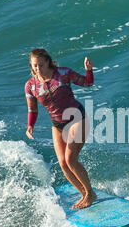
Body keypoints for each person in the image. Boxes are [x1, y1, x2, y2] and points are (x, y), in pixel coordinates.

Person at [25, 48, 97, 209]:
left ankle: (90, 193)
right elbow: (33, 109)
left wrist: (89, 70)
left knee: (71, 159)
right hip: (57, 125)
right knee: (63, 164)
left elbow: (88, 83)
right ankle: (84, 194)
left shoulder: (63, 73)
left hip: (77, 119)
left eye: (41, 65)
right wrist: (30, 126)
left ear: (48, 62)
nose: (38, 69)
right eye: (35, 66)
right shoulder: (31, 86)